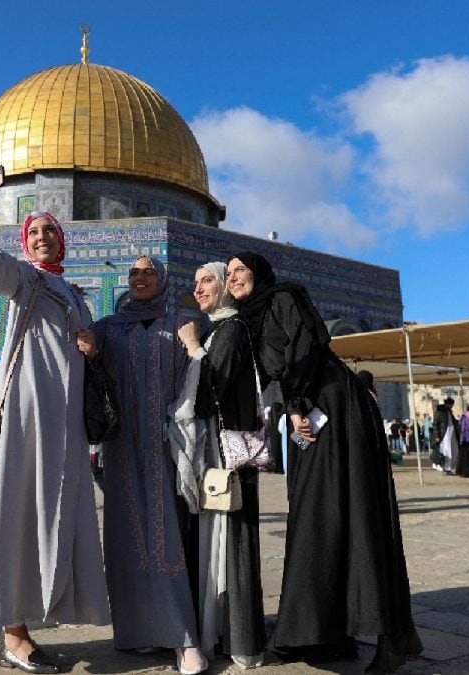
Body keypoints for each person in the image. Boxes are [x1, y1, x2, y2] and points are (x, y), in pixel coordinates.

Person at [225, 252, 421, 672]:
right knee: (319, 516)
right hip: (307, 410)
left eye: (240, 269)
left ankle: (387, 636)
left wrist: (296, 402)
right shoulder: (250, 317)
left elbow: (307, 345)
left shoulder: (283, 297)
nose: (233, 277)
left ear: (258, 273)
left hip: (330, 404)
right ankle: (323, 634)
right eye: (228, 273)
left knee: (352, 512)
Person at [0, 180, 110, 673]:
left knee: (54, 515)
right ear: (24, 242)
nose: (42, 237)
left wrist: (90, 346)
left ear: (64, 240)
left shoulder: (73, 294)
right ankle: (12, 633)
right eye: (34, 231)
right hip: (23, 416)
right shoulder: (22, 278)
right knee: (15, 513)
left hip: (64, 427)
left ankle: (36, 618)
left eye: (50, 232)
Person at [85, 255, 203, 672]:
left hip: (169, 447)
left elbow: (206, 380)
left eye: (149, 272)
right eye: (133, 273)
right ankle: (135, 631)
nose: (140, 278)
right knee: (126, 538)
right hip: (120, 448)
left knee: (169, 537)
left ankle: (181, 636)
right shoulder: (106, 327)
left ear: (163, 280)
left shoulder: (180, 326)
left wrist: (195, 348)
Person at [173, 261, 266, 669]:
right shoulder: (220, 329)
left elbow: (211, 393)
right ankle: (226, 630)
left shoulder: (231, 330)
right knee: (218, 542)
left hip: (225, 458)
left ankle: (237, 636)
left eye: (207, 279)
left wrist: (193, 347)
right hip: (216, 454)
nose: (200, 289)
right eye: (195, 283)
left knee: (230, 541)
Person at [431, 398, 457, 473]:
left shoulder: (449, 412)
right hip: (444, 435)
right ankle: (445, 467)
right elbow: (435, 425)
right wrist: (437, 436)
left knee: (453, 450)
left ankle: (448, 467)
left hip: (451, 433)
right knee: (446, 451)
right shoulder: (440, 412)